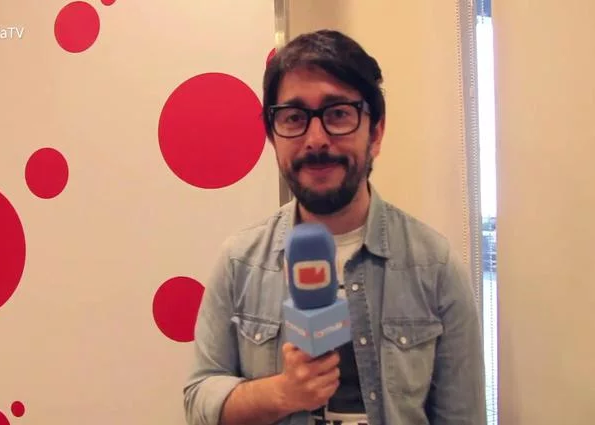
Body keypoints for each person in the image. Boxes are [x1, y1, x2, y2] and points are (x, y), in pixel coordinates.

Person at [183, 29, 485, 425]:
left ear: (375, 133)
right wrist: (281, 393)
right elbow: (199, 403)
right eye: (294, 118)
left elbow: (463, 416)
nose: (315, 139)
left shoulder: (435, 266)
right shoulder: (240, 262)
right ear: (273, 138)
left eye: (338, 114)